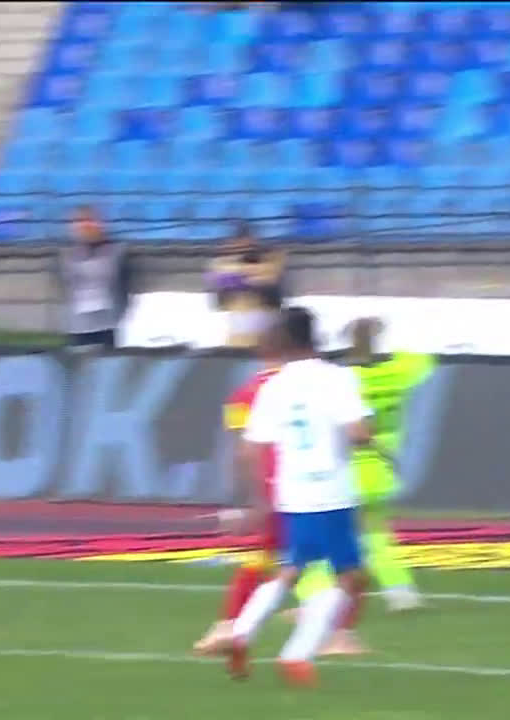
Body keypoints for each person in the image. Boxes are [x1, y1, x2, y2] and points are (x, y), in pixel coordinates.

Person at [222, 306, 373, 688]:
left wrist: (258, 501)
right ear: (314, 336)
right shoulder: (338, 378)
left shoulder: (274, 386)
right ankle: (298, 653)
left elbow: (250, 449)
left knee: (290, 569)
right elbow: (358, 432)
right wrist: (368, 432)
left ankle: (241, 632)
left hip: (292, 493)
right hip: (332, 491)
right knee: (351, 577)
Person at [293, 317, 435, 638]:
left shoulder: (341, 379)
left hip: (344, 469)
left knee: (325, 537)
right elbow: (423, 359)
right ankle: (401, 592)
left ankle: (313, 597)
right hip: (382, 469)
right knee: (376, 535)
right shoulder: (399, 371)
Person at [192, 325, 287, 655]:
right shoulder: (306, 386)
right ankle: (231, 626)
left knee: (274, 556)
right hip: (305, 484)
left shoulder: (243, 394)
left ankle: (230, 626)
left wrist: (246, 497)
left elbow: (241, 448)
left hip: (271, 483)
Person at [57, 206, 131, 350]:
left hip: (107, 325)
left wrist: (119, 317)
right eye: (79, 222)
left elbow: (124, 287)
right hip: (77, 327)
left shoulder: (116, 252)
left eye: (89, 221)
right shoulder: (67, 256)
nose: (85, 226)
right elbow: (65, 287)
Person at [208, 221, 286, 349]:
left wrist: (246, 275)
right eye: (237, 244)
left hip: (268, 336)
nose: (243, 247)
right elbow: (219, 288)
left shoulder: (270, 261)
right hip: (238, 339)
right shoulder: (225, 265)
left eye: (246, 242)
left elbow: (271, 281)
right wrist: (243, 275)